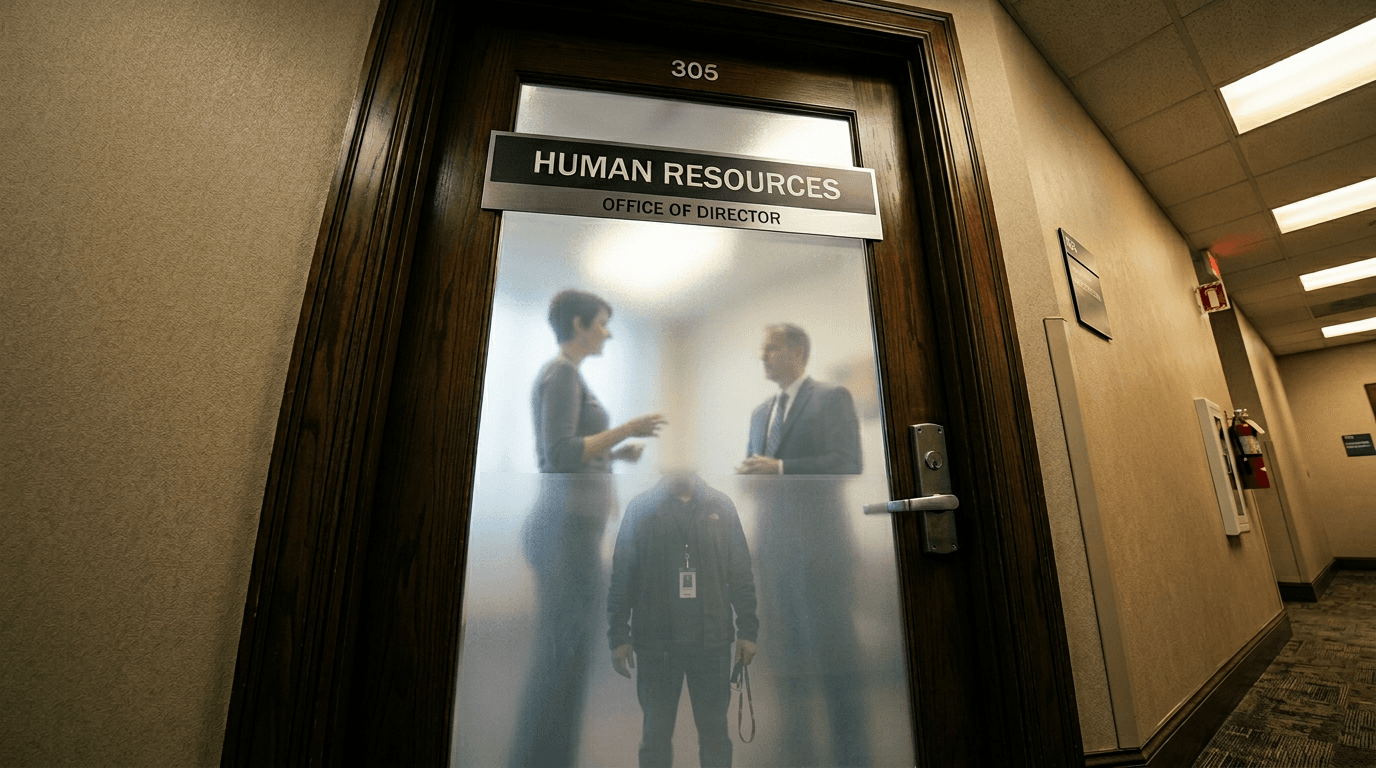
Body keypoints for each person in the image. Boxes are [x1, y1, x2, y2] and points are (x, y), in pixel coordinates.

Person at [510, 289, 667, 768]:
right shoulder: (561, 374)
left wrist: (615, 453)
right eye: (600, 322)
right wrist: (626, 430)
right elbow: (558, 455)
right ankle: (542, 757)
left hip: (572, 530)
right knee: (563, 657)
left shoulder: (569, 376)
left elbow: (572, 451)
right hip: (563, 531)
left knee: (570, 654)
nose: (607, 331)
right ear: (578, 326)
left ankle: (552, 754)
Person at [735, 323, 871, 767]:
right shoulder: (759, 413)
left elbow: (847, 464)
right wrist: (752, 479)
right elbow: (761, 475)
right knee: (785, 655)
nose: (763, 355)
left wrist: (779, 468)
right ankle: (797, 749)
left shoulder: (832, 398)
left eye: (770, 346)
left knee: (836, 655)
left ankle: (852, 753)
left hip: (822, 550)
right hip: (773, 551)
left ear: (796, 351)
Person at [607, 473, 759, 768]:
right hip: (656, 647)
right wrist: (618, 636)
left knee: (715, 737)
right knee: (655, 740)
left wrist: (748, 631)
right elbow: (622, 576)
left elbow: (741, 573)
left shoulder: (722, 507)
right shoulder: (641, 509)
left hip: (712, 643)